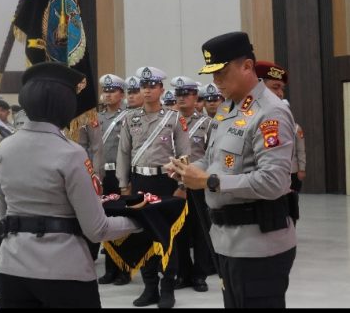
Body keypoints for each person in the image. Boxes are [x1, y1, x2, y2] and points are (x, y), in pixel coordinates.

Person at [0, 62, 141, 308]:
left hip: (13, 269)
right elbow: (97, 229)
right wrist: (141, 220)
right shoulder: (71, 153)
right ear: (65, 105)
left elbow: (4, 215)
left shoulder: (3, 149)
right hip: (63, 270)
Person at [167, 31, 297, 308]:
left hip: (259, 247)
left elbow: (273, 181)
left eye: (222, 72)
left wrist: (209, 182)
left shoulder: (270, 112)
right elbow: (213, 160)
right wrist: (187, 170)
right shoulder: (227, 109)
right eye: (212, 74)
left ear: (247, 66)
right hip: (228, 241)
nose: (215, 81)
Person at [116, 66, 190, 309]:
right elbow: (123, 153)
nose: (146, 90)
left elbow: (185, 153)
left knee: (167, 236)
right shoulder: (130, 118)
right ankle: (150, 288)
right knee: (144, 235)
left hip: (166, 183)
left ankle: (167, 288)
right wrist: (123, 185)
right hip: (140, 182)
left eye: (151, 86)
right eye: (143, 86)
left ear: (161, 88)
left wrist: (182, 185)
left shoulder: (174, 118)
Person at [82, 73, 132, 286]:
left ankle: (124, 269)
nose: (108, 95)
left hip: (119, 174)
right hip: (100, 175)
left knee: (120, 219)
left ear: (121, 94)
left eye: (113, 91)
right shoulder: (95, 118)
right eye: (106, 91)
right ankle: (110, 269)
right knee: (104, 219)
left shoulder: (128, 116)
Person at [170, 76, 212, 293]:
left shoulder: (207, 124)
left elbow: (211, 155)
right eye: (178, 94)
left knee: (201, 230)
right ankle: (183, 273)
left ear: (196, 97)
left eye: (186, 94)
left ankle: (200, 275)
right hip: (174, 185)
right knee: (179, 231)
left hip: (197, 184)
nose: (181, 98)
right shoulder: (169, 121)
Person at [254, 61, 306, 192]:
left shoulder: (282, 123)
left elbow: (299, 150)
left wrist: (301, 168)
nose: (280, 93)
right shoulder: (240, 117)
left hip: (276, 182)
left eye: (282, 89)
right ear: (258, 86)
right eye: (275, 87)